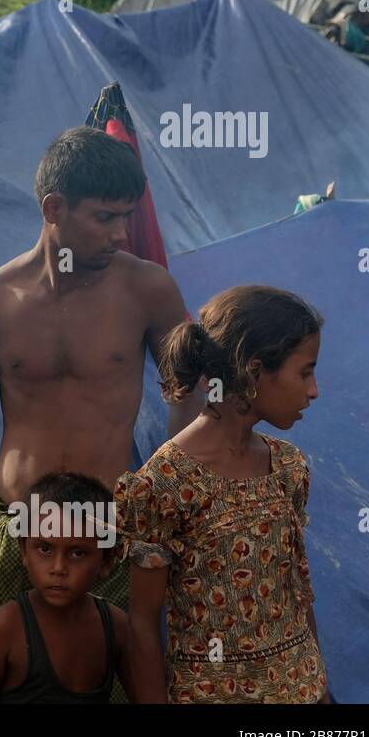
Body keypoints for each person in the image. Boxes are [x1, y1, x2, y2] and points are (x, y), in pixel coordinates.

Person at [0, 126, 202, 640]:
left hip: (112, 528)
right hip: (19, 526)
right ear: (53, 208)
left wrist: (163, 491)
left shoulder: (146, 289)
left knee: (109, 677)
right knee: (18, 677)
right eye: (104, 217)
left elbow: (192, 393)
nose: (120, 234)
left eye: (127, 217)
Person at [117, 285, 329, 703]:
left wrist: (319, 689)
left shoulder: (288, 468)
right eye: (304, 372)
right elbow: (141, 624)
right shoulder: (166, 483)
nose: (314, 390)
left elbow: (298, 592)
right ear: (253, 372)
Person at [0, 473, 129, 704]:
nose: (58, 568)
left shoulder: (116, 627)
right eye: (44, 549)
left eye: (77, 553)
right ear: (23, 550)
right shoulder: (6, 627)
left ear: (106, 560)